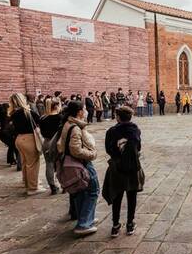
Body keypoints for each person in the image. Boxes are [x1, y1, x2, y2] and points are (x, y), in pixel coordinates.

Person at [57, 100, 99, 235]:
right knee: (93, 190)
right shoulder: (74, 127)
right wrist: (91, 154)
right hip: (81, 163)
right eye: (84, 109)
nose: (85, 111)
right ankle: (84, 224)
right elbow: (75, 150)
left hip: (73, 163)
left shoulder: (67, 123)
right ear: (80, 112)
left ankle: (85, 217)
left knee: (81, 192)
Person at [103, 106, 142, 237]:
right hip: (132, 167)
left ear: (118, 117)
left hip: (116, 168)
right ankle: (130, 224)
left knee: (117, 196)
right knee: (132, 196)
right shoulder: (135, 130)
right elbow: (139, 147)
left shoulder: (111, 131)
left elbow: (108, 149)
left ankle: (115, 225)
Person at [9, 93, 45, 195]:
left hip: (19, 139)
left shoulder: (13, 113)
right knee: (33, 164)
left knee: (25, 163)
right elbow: (39, 120)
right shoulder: (27, 112)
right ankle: (33, 188)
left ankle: (27, 182)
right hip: (29, 138)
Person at [39, 98, 63, 195]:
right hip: (58, 142)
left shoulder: (43, 118)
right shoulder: (60, 117)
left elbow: (42, 132)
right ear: (56, 106)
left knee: (49, 164)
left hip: (46, 142)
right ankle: (64, 185)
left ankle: (52, 186)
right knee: (60, 164)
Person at [0, 102, 20, 170]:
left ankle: (14, 160)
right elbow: (7, 128)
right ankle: (12, 161)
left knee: (13, 147)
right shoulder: (6, 118)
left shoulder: (3, 117)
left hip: (4, 134)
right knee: (13, 146)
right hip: (6, 134)